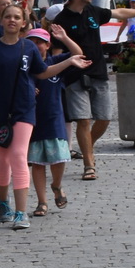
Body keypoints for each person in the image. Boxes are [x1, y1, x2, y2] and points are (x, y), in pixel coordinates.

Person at [0, 3, 89, 230]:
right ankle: (4, 203)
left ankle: (21, 212)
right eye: (7, 16)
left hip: (24, 110)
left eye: (16, 17)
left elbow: (43, 72)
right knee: (2, 159)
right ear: (0, 21)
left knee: (19, 156)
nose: (12, 20)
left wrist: (68, 61)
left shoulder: (29, 49)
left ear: (23, 23)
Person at [49, 0, 135, 180]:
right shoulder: (61, 21)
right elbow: (56, 54)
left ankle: (88, 147)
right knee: (83, 121)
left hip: (99, 73)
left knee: (104, 119)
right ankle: (89, 165)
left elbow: (119, 12)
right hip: (75, 77)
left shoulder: (93, 11)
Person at [26, 25, 83, 217]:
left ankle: (56, 184)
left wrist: (65, 38)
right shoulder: (25, 67)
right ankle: (42, 202)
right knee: (37, 162)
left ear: (47, 45)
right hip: (32, 120)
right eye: (31, 43)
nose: (35, 47)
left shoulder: (56, 61)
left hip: (54, 119)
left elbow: (78, 54)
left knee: (58, 158)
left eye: (39, 43)